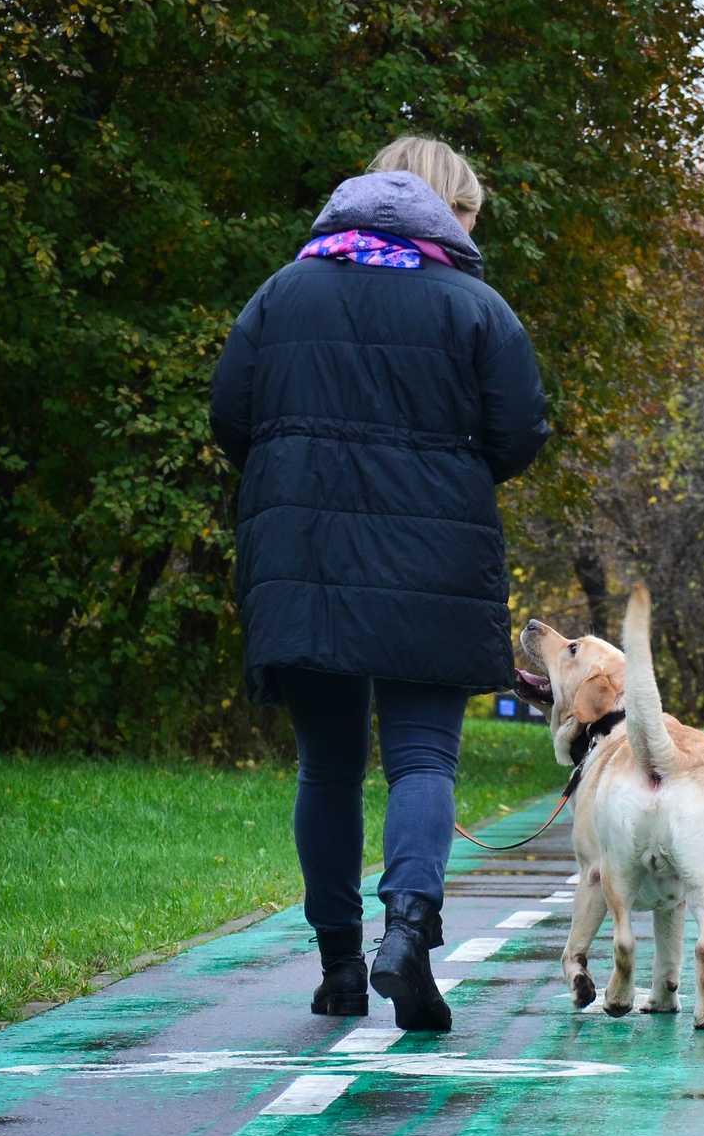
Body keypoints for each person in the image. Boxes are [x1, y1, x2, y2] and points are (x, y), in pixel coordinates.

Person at [209, 136, 551, 1033]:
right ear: (450, 212)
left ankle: (339, 969)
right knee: (423, 759)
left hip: (303, 553)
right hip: (433, 558)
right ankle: (406, 934)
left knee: (327, 765)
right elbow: (519, 432)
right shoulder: (474, 305)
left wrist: (297, 473)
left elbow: (230, 415)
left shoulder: (284, 292)